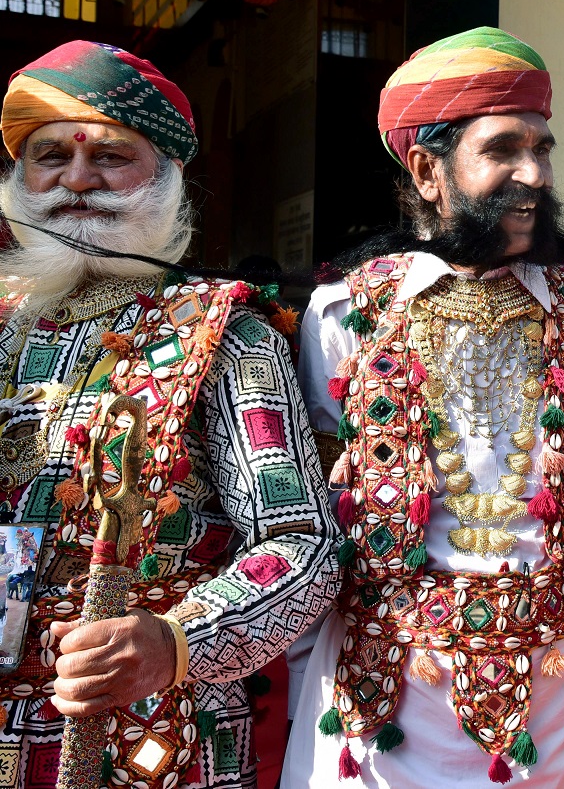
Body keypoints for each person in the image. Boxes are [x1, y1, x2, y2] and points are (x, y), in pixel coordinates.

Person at [283, 27, 564, 787]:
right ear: (428, 170)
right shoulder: (344, 314)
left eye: (543, 147)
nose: (533, 172)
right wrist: (312, 702)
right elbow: (314, 531)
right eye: (503, 149)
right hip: (387, 714)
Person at [0, 41, 339, 787]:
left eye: (112, 155)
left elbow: (304, 545)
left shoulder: (226, 333)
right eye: (50, 153)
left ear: (166, 175)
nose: (78, 178)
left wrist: (173, 640)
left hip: (161, 737)